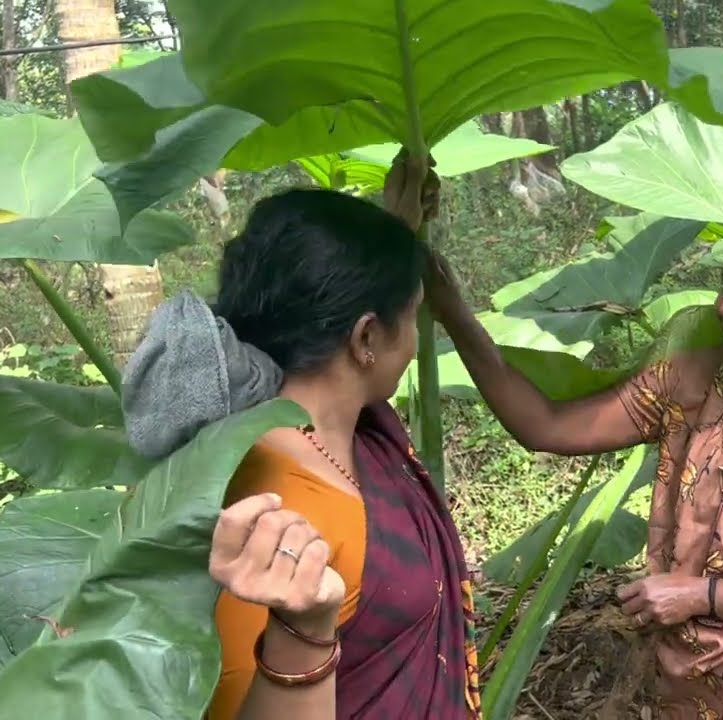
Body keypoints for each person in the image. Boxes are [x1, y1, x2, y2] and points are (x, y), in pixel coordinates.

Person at [426, 199, 723, 718]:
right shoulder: (690, 383)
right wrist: (454, 313)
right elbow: (544, 427)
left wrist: (703, 595)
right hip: (685, 689)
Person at [120, 155, 482, 720]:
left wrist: (396, 224)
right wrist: (303, 631)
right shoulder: (274, 511)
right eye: (411, 318)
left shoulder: (342, 426)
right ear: (366, 336)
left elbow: (339, 326)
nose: (413, 342)